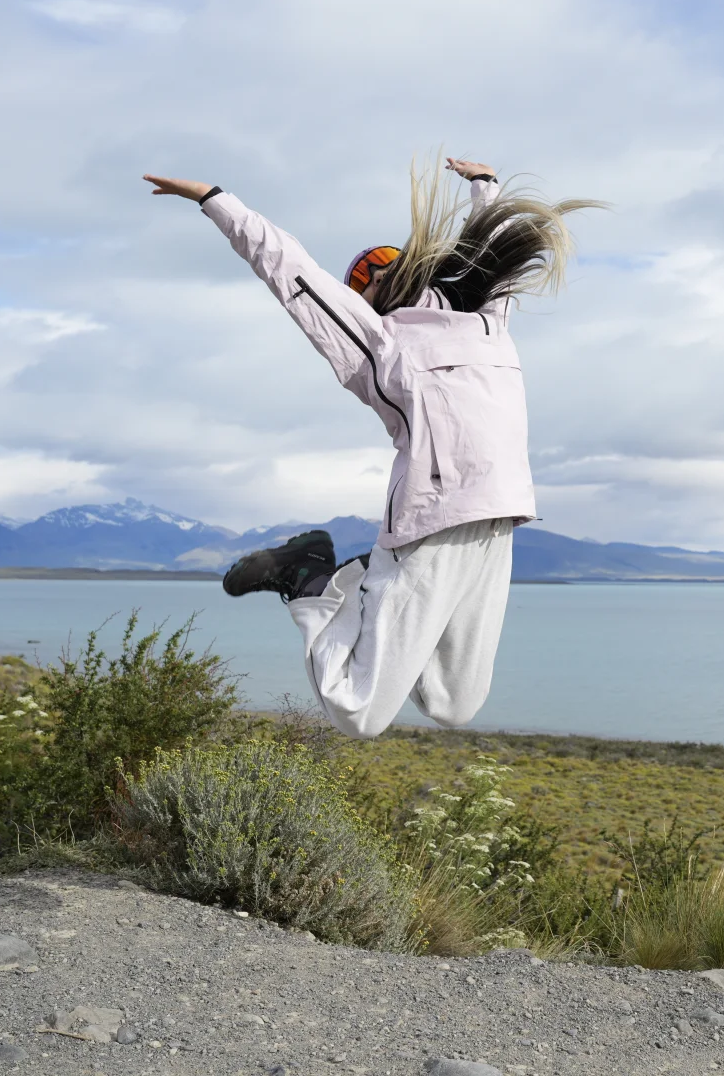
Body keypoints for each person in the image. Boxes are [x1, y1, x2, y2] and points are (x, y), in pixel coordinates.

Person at [143, 158, 598, 739]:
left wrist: (485, 188)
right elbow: (291, 271)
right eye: (365, 278)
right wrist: (215, 198)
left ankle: (363, 583)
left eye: (385, 262)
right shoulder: (378, 344)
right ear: (366, 300)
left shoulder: (489, 320)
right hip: (433, 519)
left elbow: (491, 249)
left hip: (500, 518)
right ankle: (308, 579)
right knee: (357, 712)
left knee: (453, 704)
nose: (379, 273)